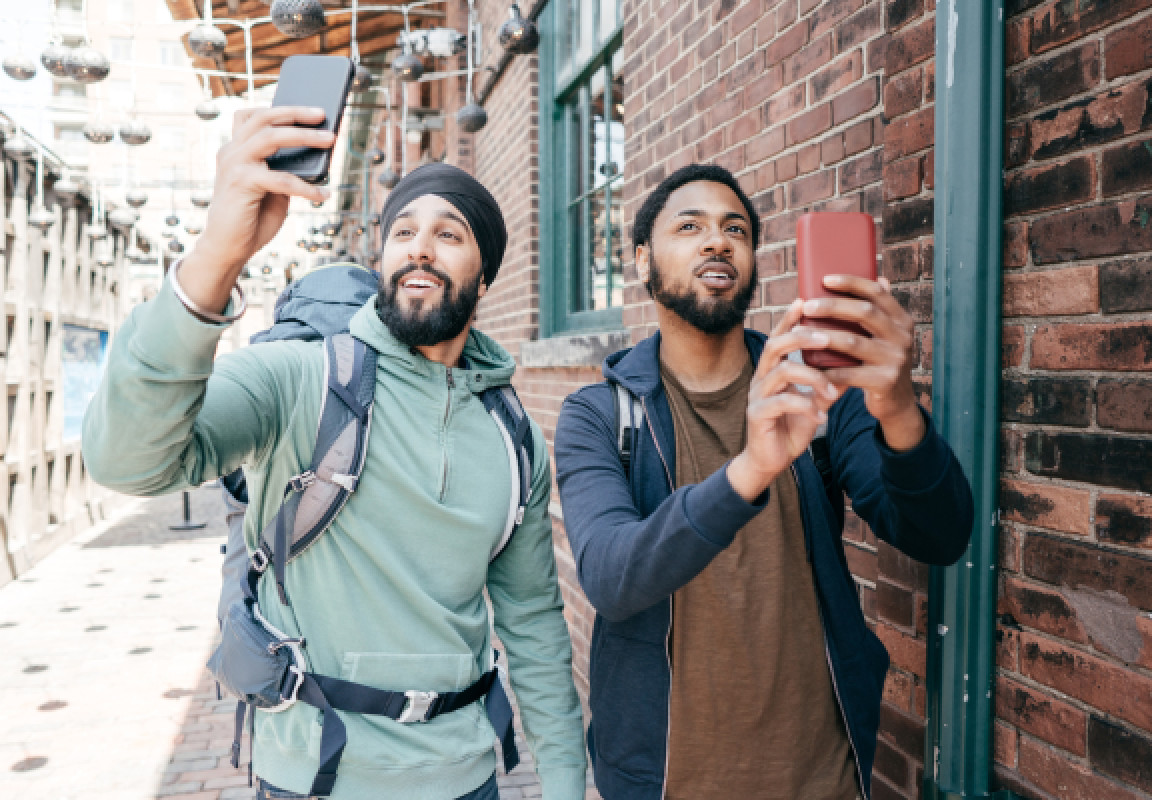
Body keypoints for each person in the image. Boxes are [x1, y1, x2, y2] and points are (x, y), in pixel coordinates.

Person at [83, 106, 586, 800]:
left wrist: (564, 781)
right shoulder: (303, 379)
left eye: (449, 233)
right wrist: (216, 259)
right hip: (316, 779)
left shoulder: (515, 434)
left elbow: (531, 621)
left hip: (468, 778)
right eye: (403, 231)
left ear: (486, 272)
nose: (420, 247)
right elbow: (127, 461)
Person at [553, 164, 973, 800]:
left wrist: (896, 407)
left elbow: (940, 535)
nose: (716, 240)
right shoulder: (601, 414)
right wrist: (751, 468)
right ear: (643, 262)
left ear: (751, 261)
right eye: (689, 226)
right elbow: (612, 580)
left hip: (819, 776)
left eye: (736, 230)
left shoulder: (823, 393)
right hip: (666, 780)